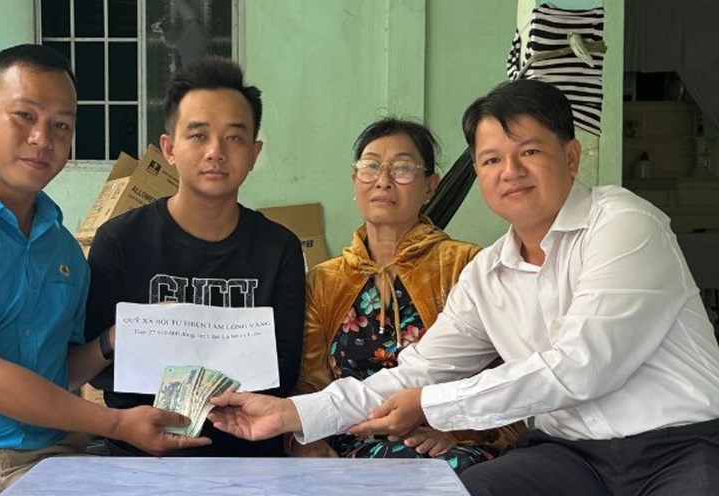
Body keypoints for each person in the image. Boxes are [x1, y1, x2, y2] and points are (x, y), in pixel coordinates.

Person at [208, 79, 719, 495]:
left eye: (529, 151)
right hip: (572, 457)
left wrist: (432, 407)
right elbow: (418, 371)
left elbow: (581, 366)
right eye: (491, 160)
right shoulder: (487, 272)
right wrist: (291, 413)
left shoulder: (625, 224)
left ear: (570, 157)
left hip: (677, 447)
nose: (510, 172)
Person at [0, 44, 196, 496]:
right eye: (24, 116)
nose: (42, 138)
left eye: (61, 125)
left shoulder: (64, 248)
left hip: (53, 460)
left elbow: (57, 373)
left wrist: (114, 338)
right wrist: (118, 423)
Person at [84, 56, 305, 458]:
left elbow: (283, 369)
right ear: (169, 148)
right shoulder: (120, 241)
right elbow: (97, 369)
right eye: (199, 135)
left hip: (250, 460)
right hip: (140, 461)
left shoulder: (280, 249)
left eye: (234, 137)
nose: (216, 152)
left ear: (254, 153)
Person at [291, 117, 523, 471]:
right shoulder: (324, 280)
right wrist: (308, 444)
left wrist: (455, 432)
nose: (383, 180)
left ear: (430, 186)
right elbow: (310, 385)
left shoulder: (466, 265)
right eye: (370, 166)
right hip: (351, 441)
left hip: (444, 440)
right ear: (355, 181)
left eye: (402, 168)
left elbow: (504, 376)